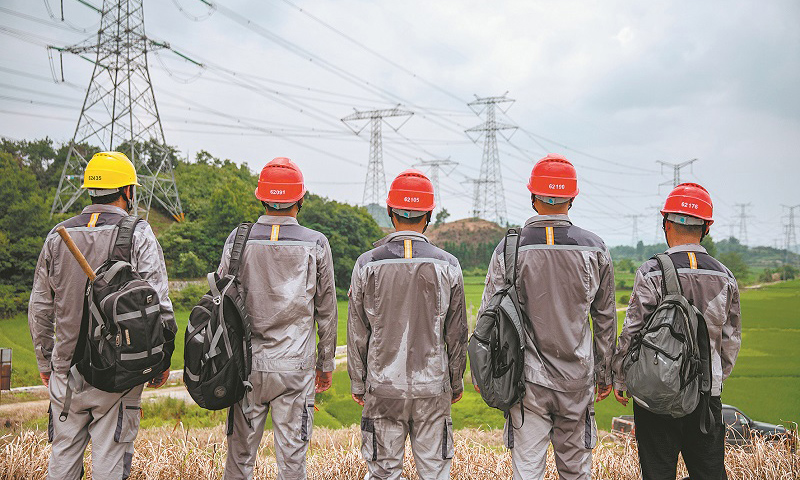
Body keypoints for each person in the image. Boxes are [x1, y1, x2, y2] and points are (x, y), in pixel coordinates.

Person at [29, 151, 175, 480]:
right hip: (119, 374)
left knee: (62, 460)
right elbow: (159, 303)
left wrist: (46, 363)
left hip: (65, 371)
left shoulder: (57, 236)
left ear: (89, 191)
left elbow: (40, 307)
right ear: (128, 192)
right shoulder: (138, 233)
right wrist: (161, 359)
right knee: (110, 463)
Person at [479, 154, 617, 480]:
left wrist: (485, 373)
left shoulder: (509, 249)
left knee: (527, 472)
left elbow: (488, 318)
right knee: (577, 472)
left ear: (532, 197)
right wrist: (606, 372)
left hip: (525, 383)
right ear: (572, 198)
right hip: (578, 381)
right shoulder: (595, 249)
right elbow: (605, 318)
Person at [612, 182, 741, 480]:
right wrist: (716, 377)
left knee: (658, 471)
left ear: (666, 223)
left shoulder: (651, 271)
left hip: (656, 392)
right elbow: (730, 339)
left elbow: (633, 329)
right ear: (706, 227)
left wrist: (621, 377)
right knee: (708, 472)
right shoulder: (725, 276)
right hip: (707, 393)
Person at [221, 157, 337, 480]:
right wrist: (325, 365)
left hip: (245, 367)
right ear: (300, 200)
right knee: (292, 464)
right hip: (295, 368)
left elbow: (223, 303)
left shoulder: (237, 240)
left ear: (261, 197)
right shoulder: (316, 243)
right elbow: (326, 310)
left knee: (239, 461)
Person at [347, 169, 468, 480]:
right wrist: (455, 381)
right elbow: (456, 333)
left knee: (384, 473)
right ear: (429, 214)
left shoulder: (367, 264)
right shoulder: (448, 265)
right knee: (436, 472)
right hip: (432, 387)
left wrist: (359, 382)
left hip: (383, 387)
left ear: (390, 211)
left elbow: (358, 331)